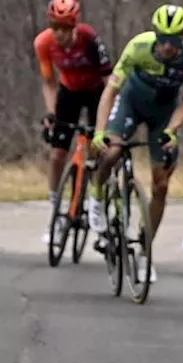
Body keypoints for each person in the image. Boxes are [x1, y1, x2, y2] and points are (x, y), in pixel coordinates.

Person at [87, 4, 183, 283]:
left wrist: (173, 130)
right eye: (162, 39)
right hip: (130, 104)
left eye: (173, 41)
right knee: (113, 150)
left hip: (163, 114)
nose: (166, 47)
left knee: (161, 184)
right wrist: (100, 131)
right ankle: (97, 194)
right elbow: (111, 91)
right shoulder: (138, 47)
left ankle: (145, 250)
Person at [34, 0, 113, 245]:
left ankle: (93, 195)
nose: (60, 33)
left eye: (65, 27)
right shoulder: (43, 43)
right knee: (57, 155)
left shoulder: (90, 39)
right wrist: (51, 114)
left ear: (75, 25)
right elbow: (49, 82)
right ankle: (56, 209)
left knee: (96, 148)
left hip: (96, 93)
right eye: (55, 26)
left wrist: (107, 118)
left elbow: (110, 79)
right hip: (68, 92)